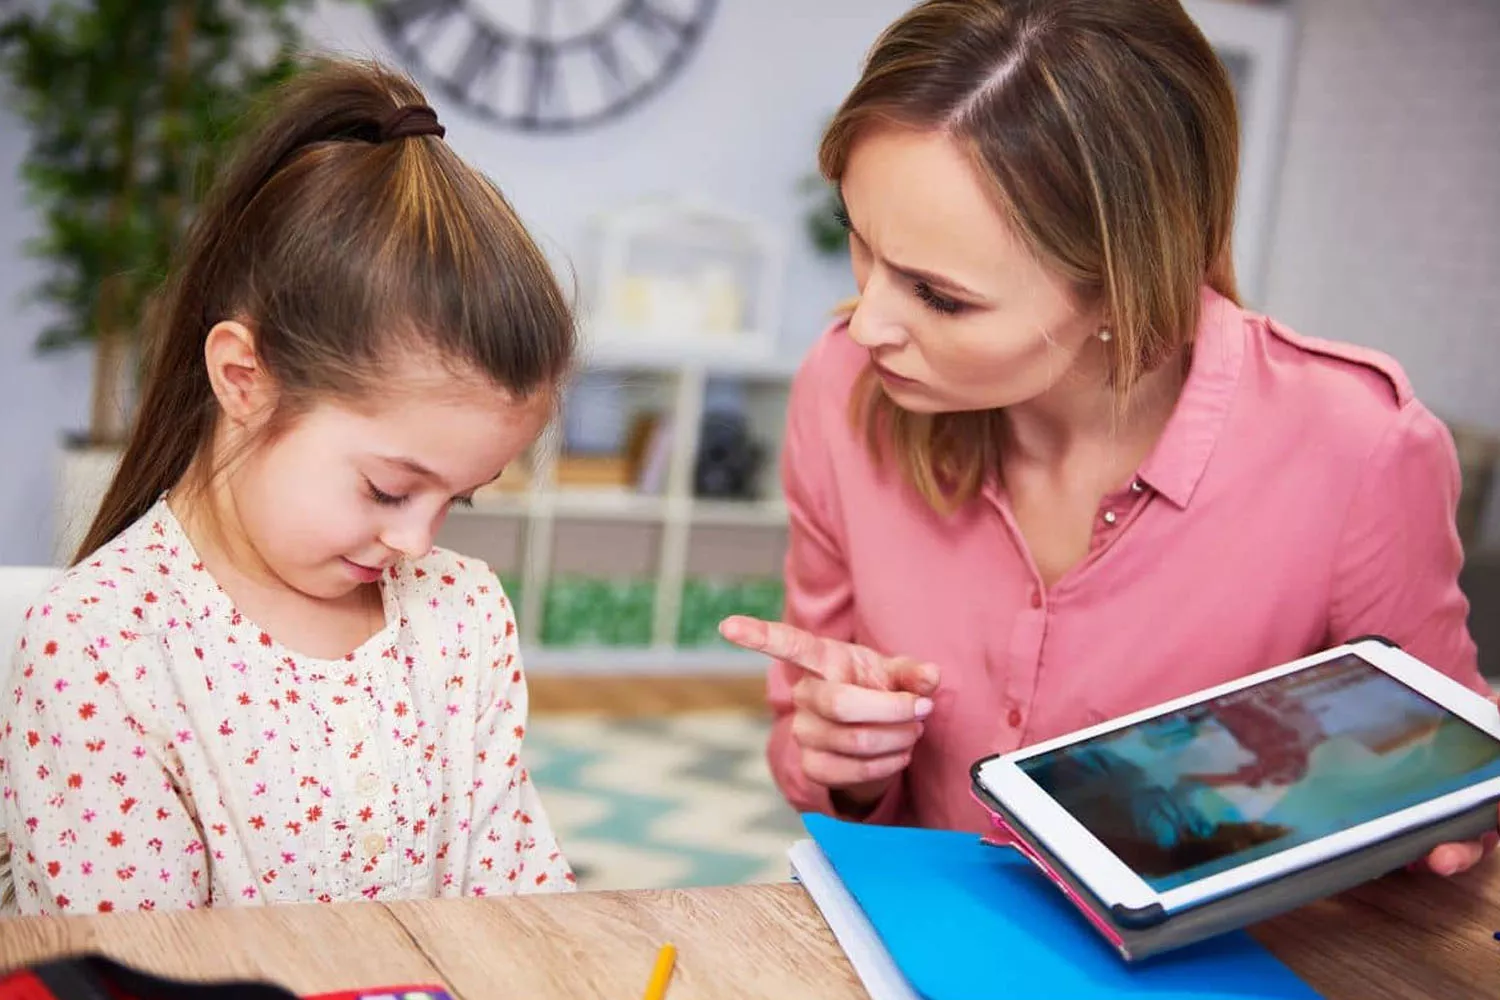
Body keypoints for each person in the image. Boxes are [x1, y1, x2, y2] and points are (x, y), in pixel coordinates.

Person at [719, 0, 1497, 878]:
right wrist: (844, 759)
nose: (868, 326)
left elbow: (1450, 782)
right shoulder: (843, 391)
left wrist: (1430, 820)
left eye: (939, 296)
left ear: (1121, 285)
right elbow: (806, 753)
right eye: (861, 246)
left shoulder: (1356, 449)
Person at [0, 58, 577, 915]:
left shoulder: (463, 616)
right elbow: (135, 975)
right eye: (389, 489)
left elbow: (520, 909)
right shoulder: (102, 648)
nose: (419, 543)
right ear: (244, 377)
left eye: (463, 497)